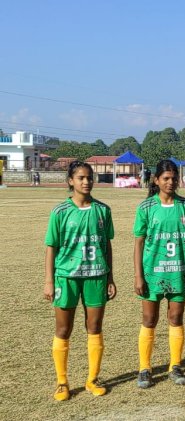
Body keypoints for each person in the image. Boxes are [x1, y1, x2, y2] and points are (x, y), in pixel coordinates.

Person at [44, 161, 116, 401]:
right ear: (70, 181)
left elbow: (107, 245)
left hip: (96, 276)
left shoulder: (103, 210)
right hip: (66, 277)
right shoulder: (60, 212)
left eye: (89, 177)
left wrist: (110, 277)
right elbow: (51, 247)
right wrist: (48, 280)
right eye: (81, 178)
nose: (86, 182)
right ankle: (62, 382)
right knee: (63, 329)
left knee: (94, 327)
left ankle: (92, 379)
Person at [134, 159, 185, 389]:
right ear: (156, 180)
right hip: (152, 272)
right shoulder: (146, 208)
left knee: (176, 318)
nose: (170, 182)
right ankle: (145, 368)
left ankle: (175, 365)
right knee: (149, 319)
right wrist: (138, 275)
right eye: (166, 178)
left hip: (178, 271)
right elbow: (139, 243)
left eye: (173, 178)